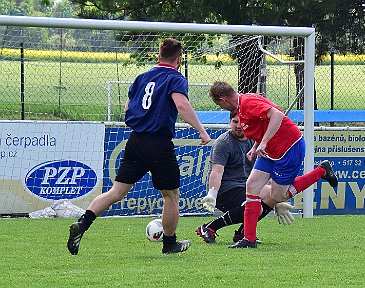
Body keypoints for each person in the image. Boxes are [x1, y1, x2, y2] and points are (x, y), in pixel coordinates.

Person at [67, 38, 211, 255]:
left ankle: (83, 224)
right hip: (159, 142)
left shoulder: (141, 77)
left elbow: (127, 108)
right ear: (179, 59)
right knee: (171, 195)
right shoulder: (176, 78)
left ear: (158, 56)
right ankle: (170, 243)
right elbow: (181, 105)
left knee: (116, 191)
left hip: (135, 140)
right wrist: (201, 130)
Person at [209, 81, 338, 248]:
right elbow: (262, 125)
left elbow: (277, 115)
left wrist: (263, 142)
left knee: (277, 196)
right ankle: (249, 239)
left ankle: (321, 171)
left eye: (219, 104)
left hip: (288, 149)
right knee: (252, 186)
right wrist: (256, 146)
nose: (221, 108)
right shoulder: (242, 106)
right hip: (269, 150)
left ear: (223, 99)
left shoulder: (248, 103)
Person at [195, 111, 295, 245]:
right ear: (230, 122)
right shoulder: (223, 143)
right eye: (235, 122)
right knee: (256, 206)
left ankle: (244, 233)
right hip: (226, 191)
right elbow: (217, 172)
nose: (238, 126)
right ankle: (210, 227)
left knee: (271, 196)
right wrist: (212, 194)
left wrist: (276, 200)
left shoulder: (255, 142)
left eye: (241, 122)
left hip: (246, 186)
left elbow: (265, 172)